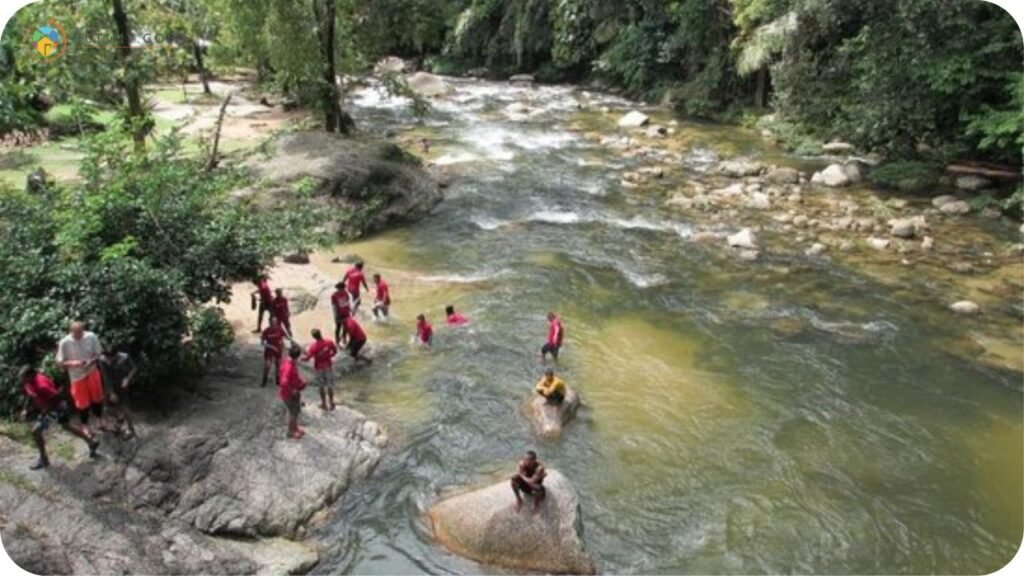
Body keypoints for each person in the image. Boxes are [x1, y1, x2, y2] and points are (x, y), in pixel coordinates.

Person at [19, 365, 99, 469]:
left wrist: (46, 412)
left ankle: (44, 460)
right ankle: (91, 442)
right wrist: (25, 409)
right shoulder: (28, 383)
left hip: (56, 408)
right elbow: (29, 394)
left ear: (31, 376)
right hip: (50, 409)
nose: (21, 381)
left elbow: (57, 397)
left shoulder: (41, 385)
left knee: (36, 431)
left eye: (23, 378)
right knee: (67, 426)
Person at [56, 321, 107, 430]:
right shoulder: (64, 342)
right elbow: (59, 362)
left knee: (97, 398)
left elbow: (98, 353)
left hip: (91, 371)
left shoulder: (91, 336)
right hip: (76, 376)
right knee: (82, 403)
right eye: (76, 334)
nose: (79, 336)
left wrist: (91, 360)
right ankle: (85, 425)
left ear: (83, 330)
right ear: (71, 332)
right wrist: (73, 363)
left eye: (80, 333)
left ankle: (100, 419)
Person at [98, 347, 138, 440]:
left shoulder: (125, 357)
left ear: (116, 355)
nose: (109, 360)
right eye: (107, 358)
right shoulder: (102, 360)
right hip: (110, 385)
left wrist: (127, 379)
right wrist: (111, 392)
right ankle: (119, 418)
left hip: (122, 385)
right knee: (107, 409)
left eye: (111, 358)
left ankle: (131, 429)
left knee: (125, 407)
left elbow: (134, 368)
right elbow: (105, 377)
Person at [302, 329, 338, 411]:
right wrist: (329, 356)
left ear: (313, 337)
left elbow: (307, 358)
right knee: (329, 385)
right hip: (328, 366)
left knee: (321, 386)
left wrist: (301, 358)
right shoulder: (329, 342)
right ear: (320, 333)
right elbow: (335, 351)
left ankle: (324, 404)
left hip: (318, 368)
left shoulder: (313, 347)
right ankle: (331, 403)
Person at [278, 346, 306, 440]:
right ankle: (290, 432)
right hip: (289, 394)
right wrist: (292, 390)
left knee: (296, 411)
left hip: (293, 392)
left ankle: (295, 428)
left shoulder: (289, 362)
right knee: (293, 412)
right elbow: (284, 382)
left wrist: (300, 383)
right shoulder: (289, 366)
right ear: (297, 356)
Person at [261, 316, 287, 388]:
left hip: (278, 350)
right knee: (267, 366)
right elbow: (262, 343)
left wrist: (289, 343)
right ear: (270, 322)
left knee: (278, 365)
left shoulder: (280, 329)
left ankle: (277, 380)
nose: (274, 323)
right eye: (273, 321)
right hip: (269, 350)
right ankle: (264, 380)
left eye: (275, 321)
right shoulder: (266, 330)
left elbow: (286, 337)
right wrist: (271, 347)